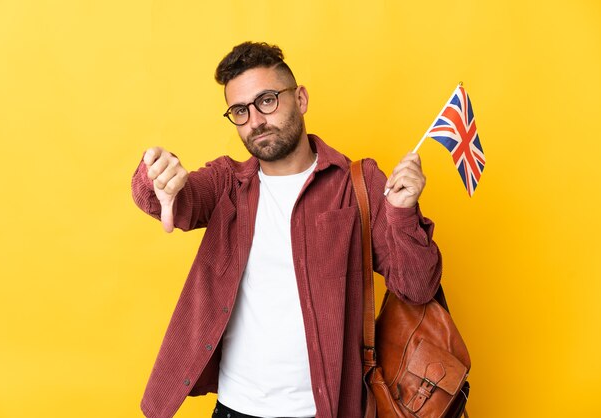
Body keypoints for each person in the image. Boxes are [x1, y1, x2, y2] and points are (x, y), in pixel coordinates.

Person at [131, 42, 442, 418]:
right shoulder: (227, 183)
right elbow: (174, 199)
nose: (255, 121)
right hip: (235, 410)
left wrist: (403, 214)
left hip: (326, 410)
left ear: (302, 99)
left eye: (267, 100)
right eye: (240, 111)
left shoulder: (358, 184)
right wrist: (155, 176)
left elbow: (418, 286)